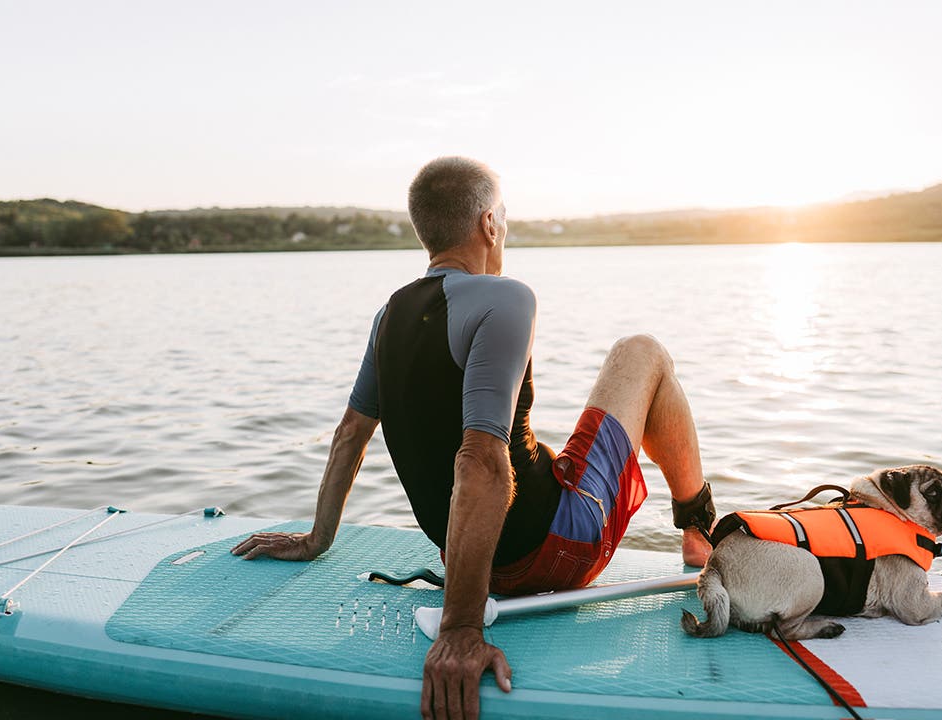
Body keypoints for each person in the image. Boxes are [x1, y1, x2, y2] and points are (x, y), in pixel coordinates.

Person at [231, 156, 715, 720]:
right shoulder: (506, 298)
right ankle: (699, 531)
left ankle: (681, 526)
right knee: (642, 353)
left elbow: (348, 436)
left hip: (471, 550)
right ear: (488, 224)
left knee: (537, 442)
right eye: (503, 216)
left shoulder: (389, 314)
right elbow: (481, 462)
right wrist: (461, 627)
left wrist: (317, 538)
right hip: (550, 551)